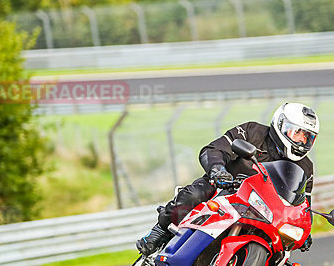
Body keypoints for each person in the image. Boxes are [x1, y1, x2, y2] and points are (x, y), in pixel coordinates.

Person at [136, 102, 319, 255]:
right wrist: (218, 170)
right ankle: (160, 230)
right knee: (196, 193)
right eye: (297, 133)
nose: (302, 141)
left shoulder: (305, 167)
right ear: (280, 124)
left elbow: (302, 204)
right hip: (226, 189)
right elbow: (214, 149)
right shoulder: (253, 132)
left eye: (307, 137)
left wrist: (305, 229)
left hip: (263, 212)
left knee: (279, 252)